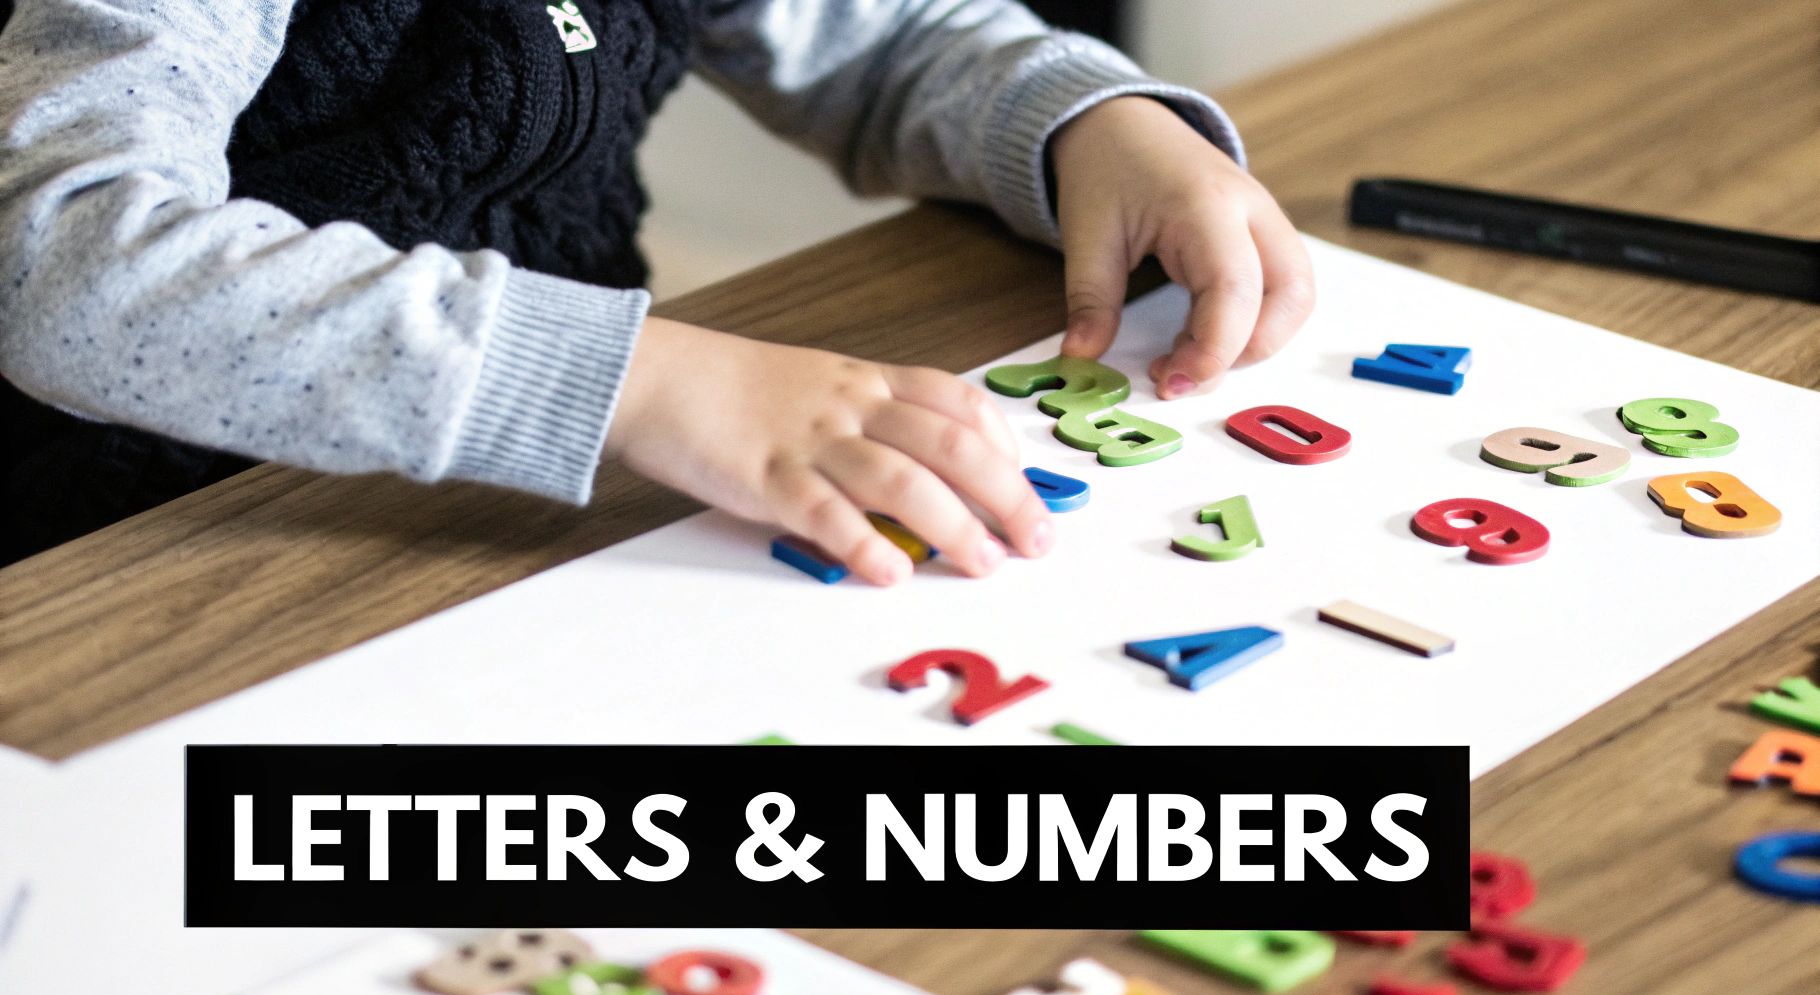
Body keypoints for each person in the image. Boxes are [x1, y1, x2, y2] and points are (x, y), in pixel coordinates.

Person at [0, 0, 1314, 579]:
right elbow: (62, 259)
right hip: (142, 541)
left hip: (544, 500)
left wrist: (1089, 119)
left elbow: (885, 37)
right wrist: (628, 380)